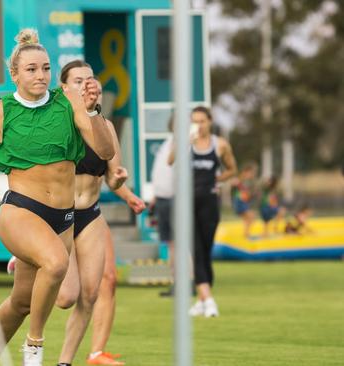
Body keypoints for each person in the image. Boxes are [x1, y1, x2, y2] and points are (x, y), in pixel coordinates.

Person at [0, 29, 115, 366]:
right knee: (57, 263)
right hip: (20, 210)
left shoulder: (68, 102)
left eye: (45, 68)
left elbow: (105, 149)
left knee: (22, 302)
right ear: (14, 74)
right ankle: (34, 345)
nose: (40, 75)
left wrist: (92, 112)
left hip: (64, 216)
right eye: (31, 69)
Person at [51, 69, 145, 366]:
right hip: (58, 218)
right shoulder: (56, 125)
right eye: (78, 81)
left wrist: (123, 187)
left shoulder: (104, 127)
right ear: (64, 88)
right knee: (66, 297)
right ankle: (30, 261)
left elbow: (112, 175)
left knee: (92, 292)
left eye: (90, 81)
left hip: (90, 215)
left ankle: (69, 361)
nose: (86, 85)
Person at [168, 106, 237, 318]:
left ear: (210, 121)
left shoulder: (220, 145)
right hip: (187, 203)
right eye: (194, 121)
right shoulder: (185, 140)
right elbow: (170, 161)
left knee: (205, 251)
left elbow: (232, 169)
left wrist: (218, 180)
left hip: (209, 203)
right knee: (195, 249)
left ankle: (201, 299)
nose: (199, 125)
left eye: (202, 121)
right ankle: (209, 300)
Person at [151, 117, 176, 297]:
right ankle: (176, 282)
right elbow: (162, 172)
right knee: (171, 244)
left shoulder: (186, 144)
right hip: (162, 199)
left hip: (176, 199)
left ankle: (188, 281)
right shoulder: (168, 142)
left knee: (181, 244)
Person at [231, 162, 258, 238]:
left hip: (243, 202)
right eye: (251, 173)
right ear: (246, 172)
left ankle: (246, 233)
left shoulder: (246, 181)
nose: (252, 175)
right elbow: (234, 184)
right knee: (251, 216)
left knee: (248, 218)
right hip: (239, 202)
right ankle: (246, 234)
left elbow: (245, 192)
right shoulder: (240, 178)